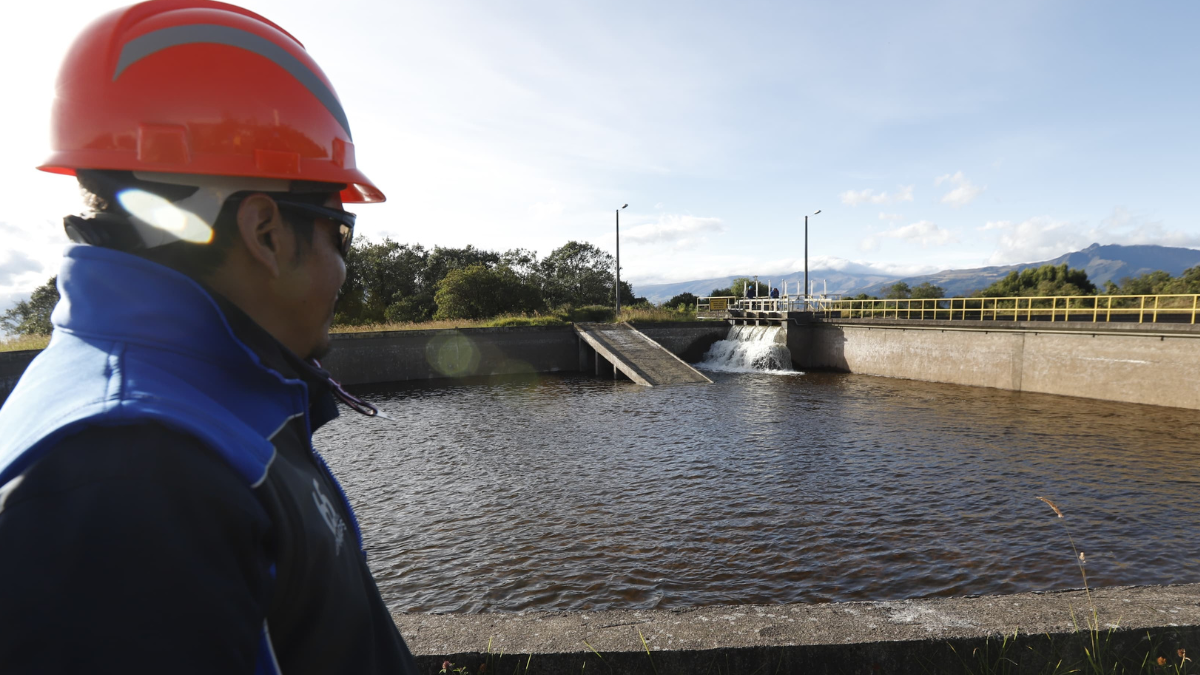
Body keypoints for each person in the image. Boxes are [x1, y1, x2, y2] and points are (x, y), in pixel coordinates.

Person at [0, 2, 418, 673]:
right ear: (265, 232)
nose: (342, 267)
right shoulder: (129, 477)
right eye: (340, 233)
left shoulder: (193, 414)